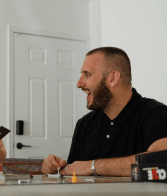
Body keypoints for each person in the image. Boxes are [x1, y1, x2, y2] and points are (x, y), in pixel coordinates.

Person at [41, 47, 167, 177]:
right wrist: (56, 169)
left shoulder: (156, 114)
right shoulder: (84, 124)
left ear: (112, 78)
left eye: (87, 74)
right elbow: (74, 175)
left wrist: (92, 166)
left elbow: (161, 161)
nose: (79, 83)